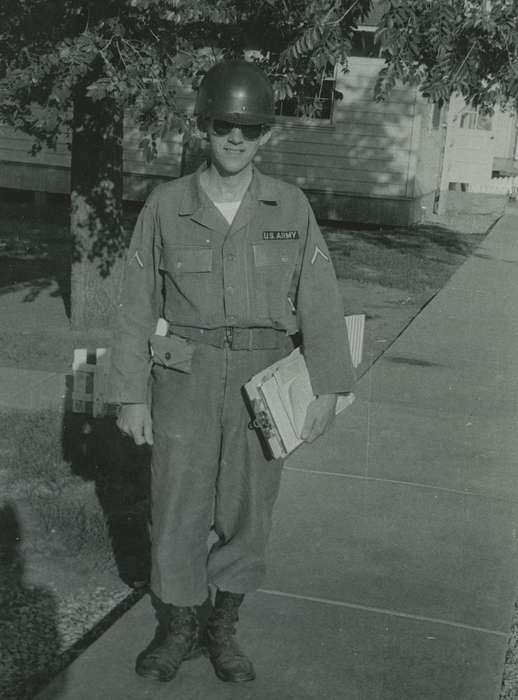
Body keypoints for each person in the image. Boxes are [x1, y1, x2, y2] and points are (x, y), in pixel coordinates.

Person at [110, 59, 356, 685]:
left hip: (261, 378)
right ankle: (180, 627)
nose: (235, 140)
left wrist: (329, 387)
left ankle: (224, 628)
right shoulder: (167, 206)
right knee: (176, 504)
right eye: (223, 126)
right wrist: (130, 395)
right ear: (203, 129)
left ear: (266, 135)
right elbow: (137, 305)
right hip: (183, 375)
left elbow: (320, 299)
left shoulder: (290, 206)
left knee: (249, 507)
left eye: (249, 129)